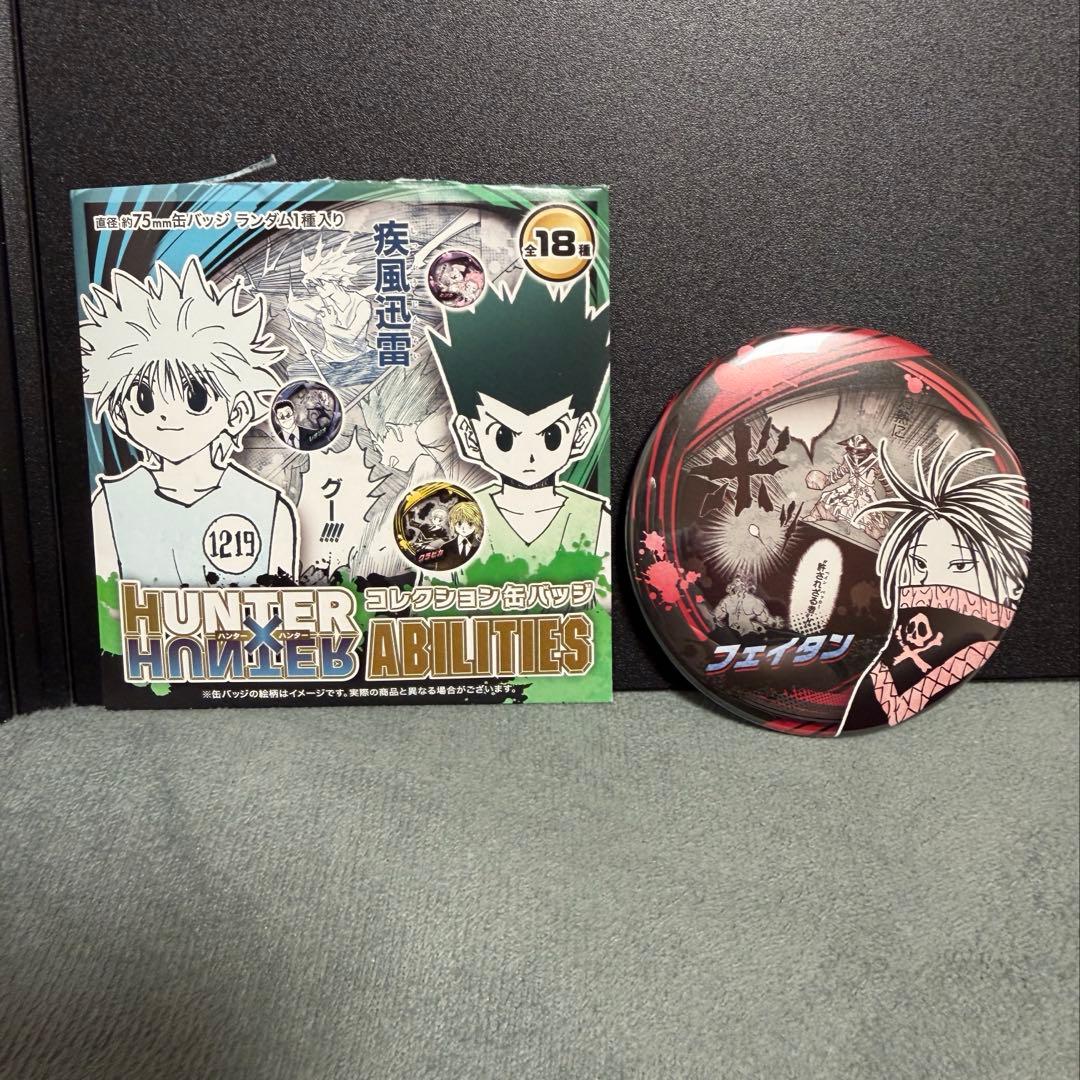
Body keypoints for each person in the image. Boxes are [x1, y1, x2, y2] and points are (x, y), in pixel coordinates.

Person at [82, 256, 298, 586]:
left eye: (196, 399)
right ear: (121, 416)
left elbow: (284, 604)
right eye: (144, 400)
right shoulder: (110, 505)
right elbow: (103, 603)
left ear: (237, 411)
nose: (166, 414)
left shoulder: (268, 508)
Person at [838, 435, 1031, 732]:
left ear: (1010, 579)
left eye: (961, 566)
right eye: (919, 565)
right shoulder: (884, 671)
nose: (930, 587)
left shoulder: (969, 652)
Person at [429, 274, 610, 570]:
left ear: (581, 433)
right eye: (503, 437)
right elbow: (436, 588)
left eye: (551, 436)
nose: (529, 456)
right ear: (469, 436)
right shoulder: (461, 518)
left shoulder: (594, 519)